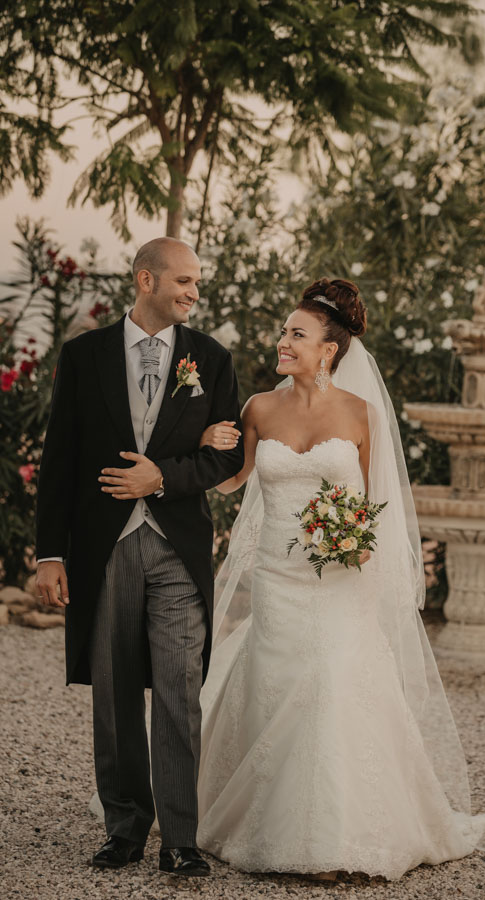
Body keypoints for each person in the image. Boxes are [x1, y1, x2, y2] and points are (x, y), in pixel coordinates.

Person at [195, 277, 485, 881]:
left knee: (333, 688)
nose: (282, 342)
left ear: (329, 349)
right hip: (279, 581)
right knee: (279, 688)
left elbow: (370, 500)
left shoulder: (361, 414)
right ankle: (271, 825)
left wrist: (354, 544)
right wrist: (204, 442)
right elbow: (232, 482)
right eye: (284, 332)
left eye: (296, 334)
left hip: (339, 581)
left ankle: (341, 838)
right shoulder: (258, 407)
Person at [35, 237, 244, 877]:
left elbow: (229, 456)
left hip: (177, 547)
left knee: (181, 691)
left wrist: (163, 479)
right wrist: (49, 554)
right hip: (104, 548)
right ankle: (124, 828)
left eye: (198, 285)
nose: (193, 293)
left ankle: (180, 837)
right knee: (116, 691)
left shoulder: (210, 358)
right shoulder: (84, 356)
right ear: (145, 279)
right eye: (183, 281)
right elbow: (60, 458)